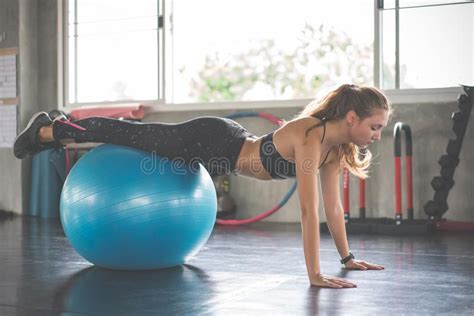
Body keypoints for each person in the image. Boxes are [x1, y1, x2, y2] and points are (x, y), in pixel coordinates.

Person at [14, 83, 391, 288]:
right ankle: (50, 129)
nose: (377, 136)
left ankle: (54, 128)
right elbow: (309, 211)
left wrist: (346, 259)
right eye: (375, 127)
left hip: (230, 147)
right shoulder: (311, 135)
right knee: (130, 134)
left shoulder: (334, 150)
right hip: (212, 141)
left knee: (133, 136)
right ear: (352, 117)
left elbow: (333, 208)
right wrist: (314, 276)